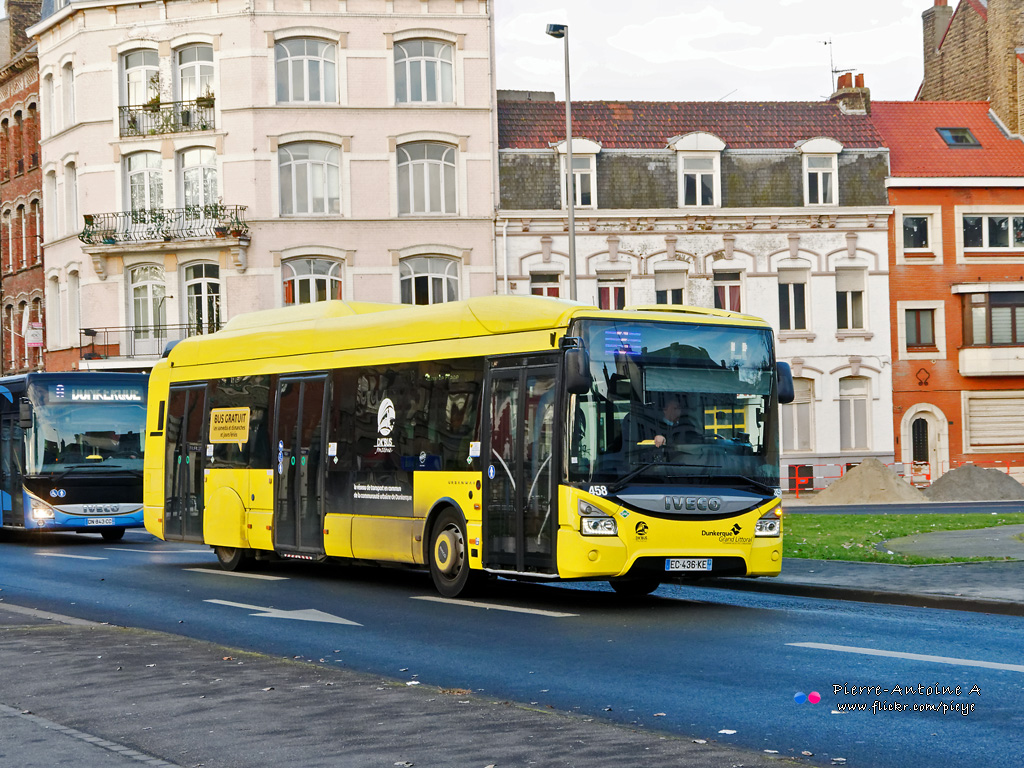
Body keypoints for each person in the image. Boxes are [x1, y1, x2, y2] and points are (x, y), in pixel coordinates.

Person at [625, 394, 703, 449]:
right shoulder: (651, 424)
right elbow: (639, 444)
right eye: (675, 408)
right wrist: (655, 438)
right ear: (665, 410)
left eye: (679, 408)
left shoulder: (686, 425)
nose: (679, 412)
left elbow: (695, 441)